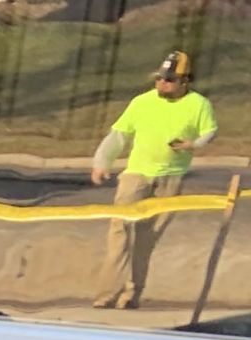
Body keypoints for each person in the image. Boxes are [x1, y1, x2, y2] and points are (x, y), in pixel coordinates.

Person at [91, 50, 219, 310]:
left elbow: (210, 130)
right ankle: (106, 294)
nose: (162, 83)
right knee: (120, 232)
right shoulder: (142, 102)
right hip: (136, 175)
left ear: (185, 81)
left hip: (170, 179)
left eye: (169, 80)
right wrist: (101, 163)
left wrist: (193, 144)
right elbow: (118, 135)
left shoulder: (199, 104)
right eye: (160, 78)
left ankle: (132, 294)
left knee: (146, 238)